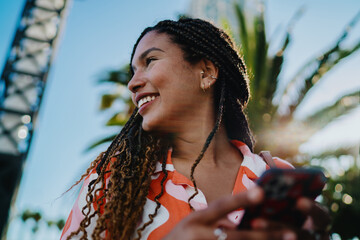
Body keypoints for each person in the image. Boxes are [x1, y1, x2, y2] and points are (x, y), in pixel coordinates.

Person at [60, 18, 330, 240]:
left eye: (150, 61)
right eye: (133, 71)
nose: (132, 84)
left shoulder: (274, 174)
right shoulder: (113, 179)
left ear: (207, 73)